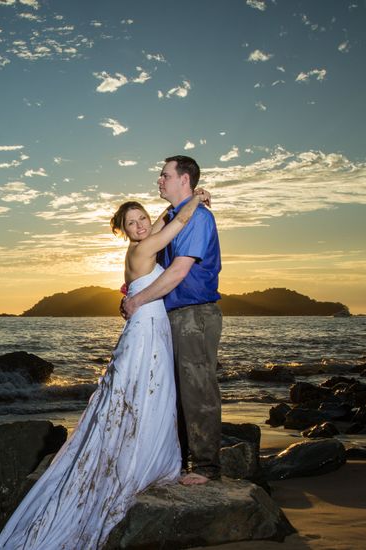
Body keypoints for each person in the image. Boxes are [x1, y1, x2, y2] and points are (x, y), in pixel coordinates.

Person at [0, 187, 210, 550]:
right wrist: (195, 198)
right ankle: (140, 459)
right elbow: (179, 222)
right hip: (147, 330)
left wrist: (162, 213)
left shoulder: (142, 242)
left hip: (148, 326)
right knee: (145, 389)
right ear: (123, 230)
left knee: (145, 390)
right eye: (131, 223)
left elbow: (159, 223)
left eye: (141, 219)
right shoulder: (142, 250)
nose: (140, 225)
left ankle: (144, 451)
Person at [122, 155, 222, 486]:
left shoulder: (197, 219)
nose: (159, 180)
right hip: (171, 315)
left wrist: (136, 299)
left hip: (195, 313)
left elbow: (179, 271)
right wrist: (192, 198)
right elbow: (160, 227)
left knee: (197, 389)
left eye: (165, 175)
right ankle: (180, 460)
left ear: (184, 179)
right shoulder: (178, 216)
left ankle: (206, 467)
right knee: (175, 391)